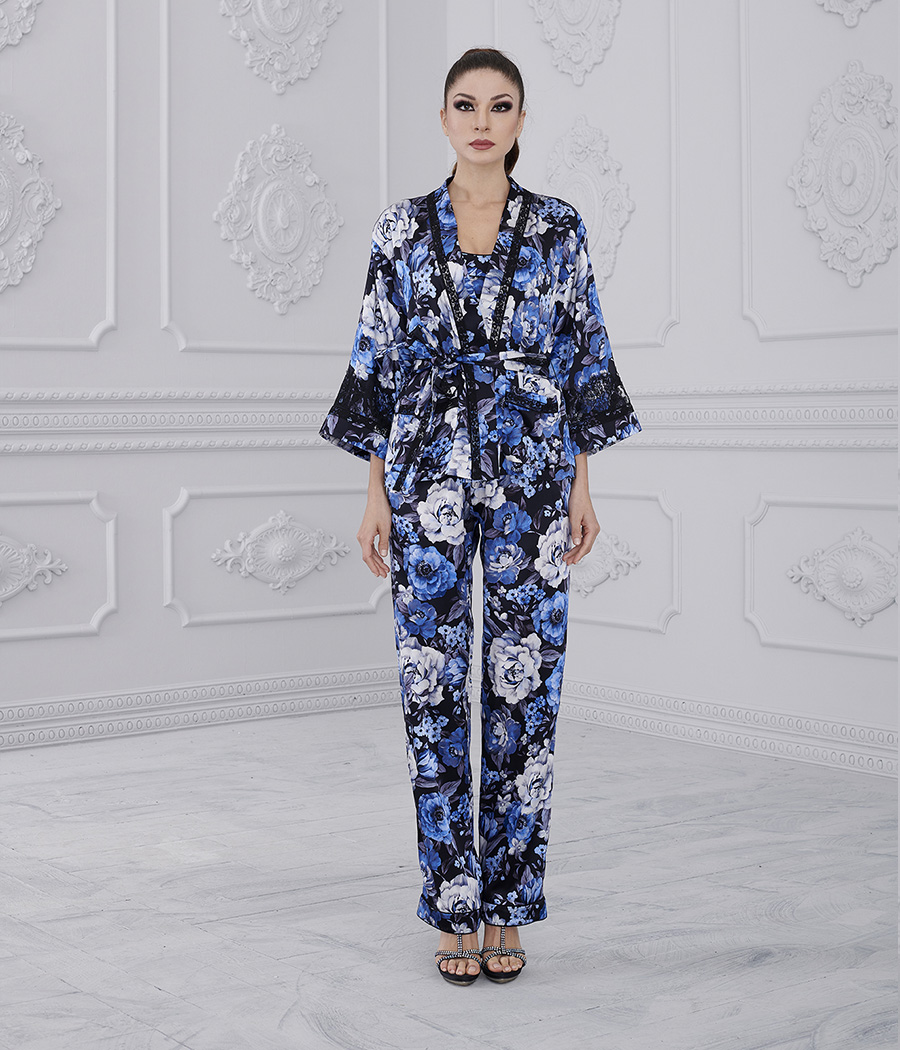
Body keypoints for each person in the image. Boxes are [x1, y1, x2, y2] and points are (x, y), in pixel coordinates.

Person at [319, 47, 641, 985]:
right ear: (444, 119)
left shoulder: (559, 228)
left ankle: (507, 905)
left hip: (534, 474)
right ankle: (452, 903)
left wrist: (581, 484)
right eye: (466, 105)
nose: (483, 122)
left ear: (522, 121)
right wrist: (374, 492)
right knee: (432, 687)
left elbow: (582, 357)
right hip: (423, 473)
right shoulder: (400, 229)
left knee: (522, 688)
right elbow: (377, 361)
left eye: (501, 106)